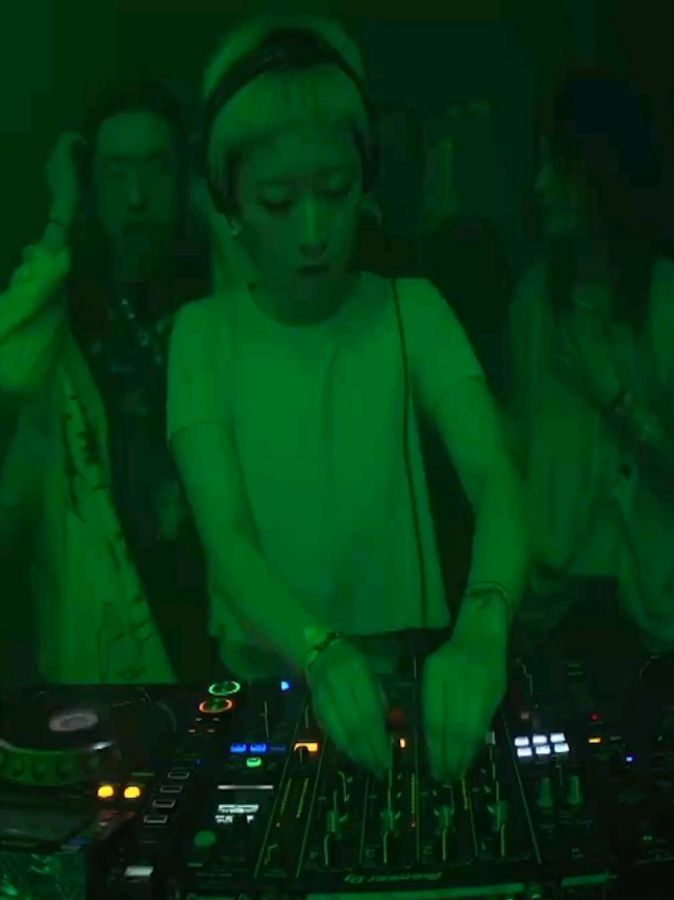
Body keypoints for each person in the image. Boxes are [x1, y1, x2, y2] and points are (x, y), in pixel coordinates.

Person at [168, 14, 527, 784]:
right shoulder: (202, 335)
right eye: (276, 201)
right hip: (260, 686)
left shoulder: (414, 309)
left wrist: (483, 631)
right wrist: (320, 652)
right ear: (229, 203)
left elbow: (497, 477)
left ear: (365, 179)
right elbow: (226, 536)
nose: (312, 231)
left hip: (403, 676)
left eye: (334, 192)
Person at [505, 66, 674, 676]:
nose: (541, 186)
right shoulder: (535, 301)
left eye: (559, 167)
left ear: (604, 174)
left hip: (654, 617)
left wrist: (617, 398)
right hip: (549, 608)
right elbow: (517, 448)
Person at [0, 80, 212, 684]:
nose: (137, 197)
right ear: (91, 182)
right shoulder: (69, 310)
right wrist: (61, 211)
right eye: (116, 174)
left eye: (156, 170)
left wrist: (212, 203)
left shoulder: (219, 298)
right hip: (109, 632)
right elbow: (9, 366)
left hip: (221, 619)